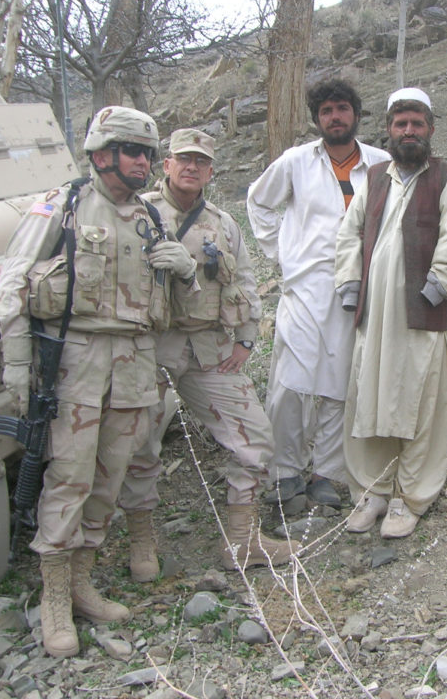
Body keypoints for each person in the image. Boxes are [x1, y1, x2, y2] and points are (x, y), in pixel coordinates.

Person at [0, 106, 200, 658]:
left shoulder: (149, 218)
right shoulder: (62, 206)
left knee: (108, 479)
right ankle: (55, 598)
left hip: (134, 360)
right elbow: (12, 287)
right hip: (76, 360)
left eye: (148, 153)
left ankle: (82, 584)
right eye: (133, 151)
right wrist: (16, 365)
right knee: (69, 477)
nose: (143, 162)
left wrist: (186, 271)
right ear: (102, 154)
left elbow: (176, 305)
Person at [119, 128, 299, 579]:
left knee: (255, 438)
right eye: (183, 159)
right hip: (149, 348)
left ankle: (242, 541)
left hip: (208, 348)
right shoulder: (135, 214)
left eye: (201, 161)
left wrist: (245, 339)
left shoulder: (222, 223)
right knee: (139, 445)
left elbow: (243, 281)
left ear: (211, 170)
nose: (192, 167)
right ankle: (142, 541)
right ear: (166, 164)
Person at [334, 87, 447, 539]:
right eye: (400, 124)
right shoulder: (372, 178)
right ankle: (372, 491)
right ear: (389, 130)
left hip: (423, 316)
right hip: (375, 316)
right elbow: (349, 234)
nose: (408, 131)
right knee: (368, 396)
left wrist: (436, 289)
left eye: (416, 123)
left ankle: (409, 497)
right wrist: (350, 285)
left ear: (430, 129)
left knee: (420, 405)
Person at [246, 80, 387, 512]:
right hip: (305, 288)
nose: (335, 117)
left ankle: (326, 473)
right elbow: (258, 202)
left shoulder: (379, 163)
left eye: (342, 109)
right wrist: (282, 255)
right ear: (317, 119)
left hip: (359, 288)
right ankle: (285, 473)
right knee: (290, 384)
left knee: (341, 384)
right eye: (326, 111)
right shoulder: (295, 163)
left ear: (356, 115)